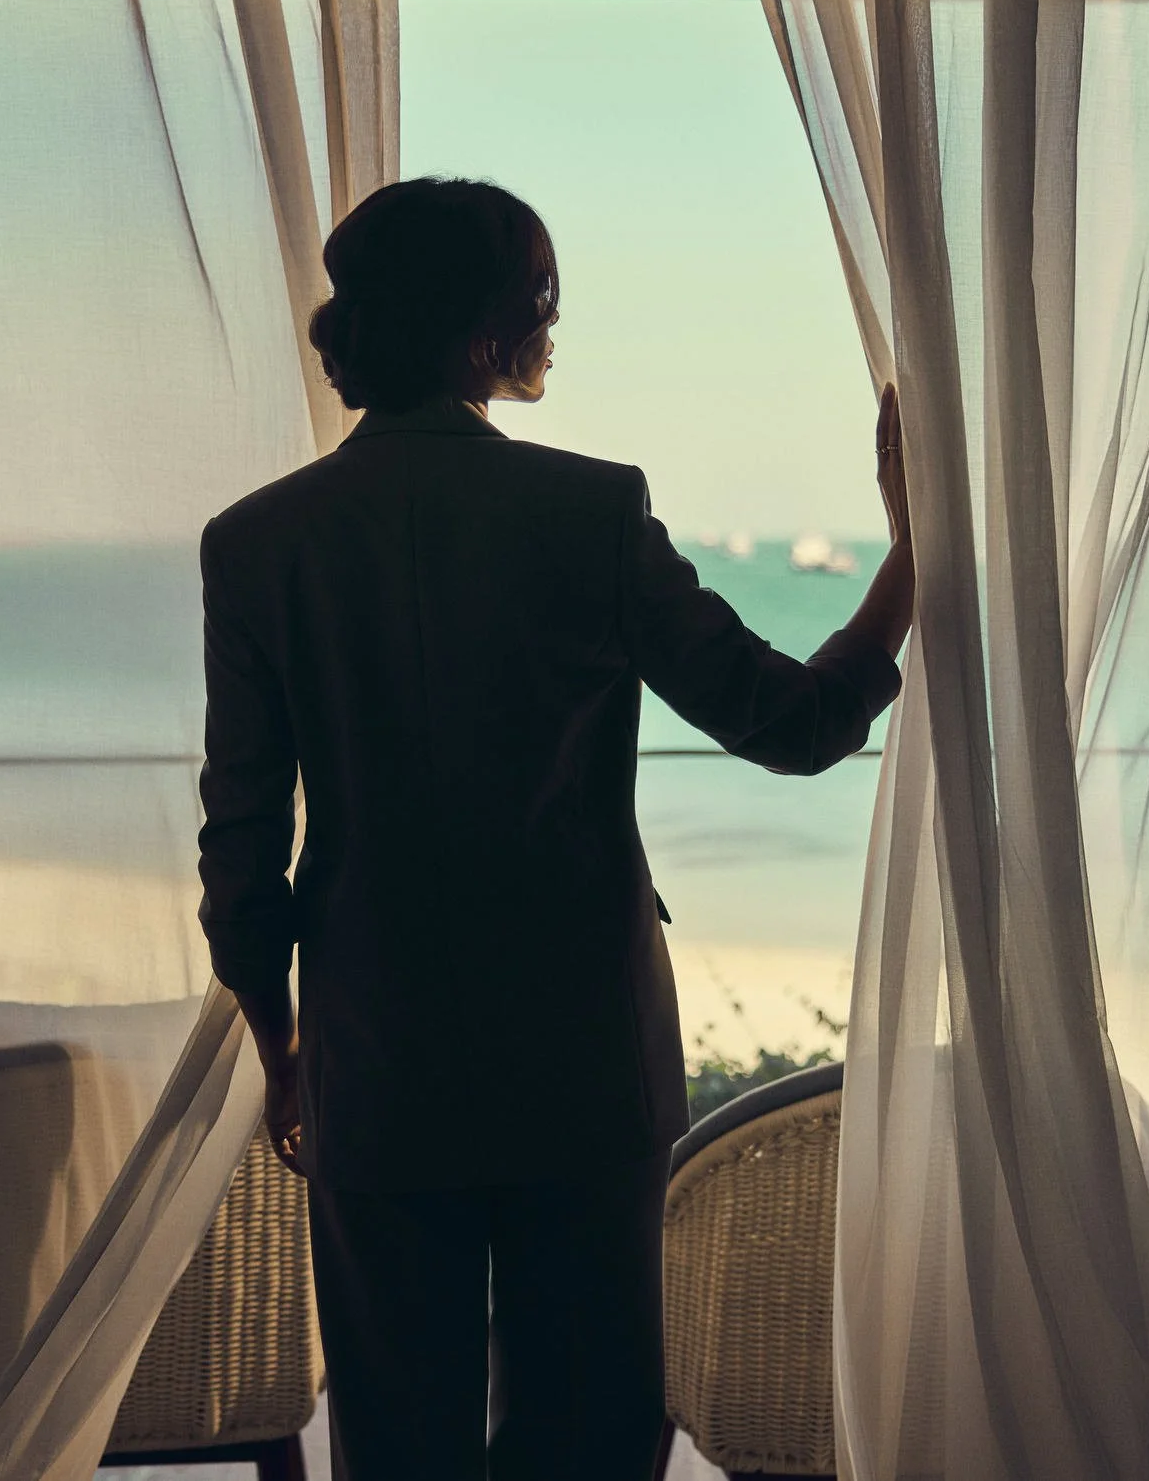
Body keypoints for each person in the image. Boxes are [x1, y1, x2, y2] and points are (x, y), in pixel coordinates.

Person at [195, 177, 913, 1479]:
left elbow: (241, 855)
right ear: (483, 335)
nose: (555, 320)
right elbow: (792, 724)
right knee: (586, 1437)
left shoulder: (257, 545)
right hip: (582, 1059)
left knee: (396, 1443)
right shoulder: (592, 513)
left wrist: (285, 1046)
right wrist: (913, 555)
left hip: (376, 1057)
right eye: (542, 294)